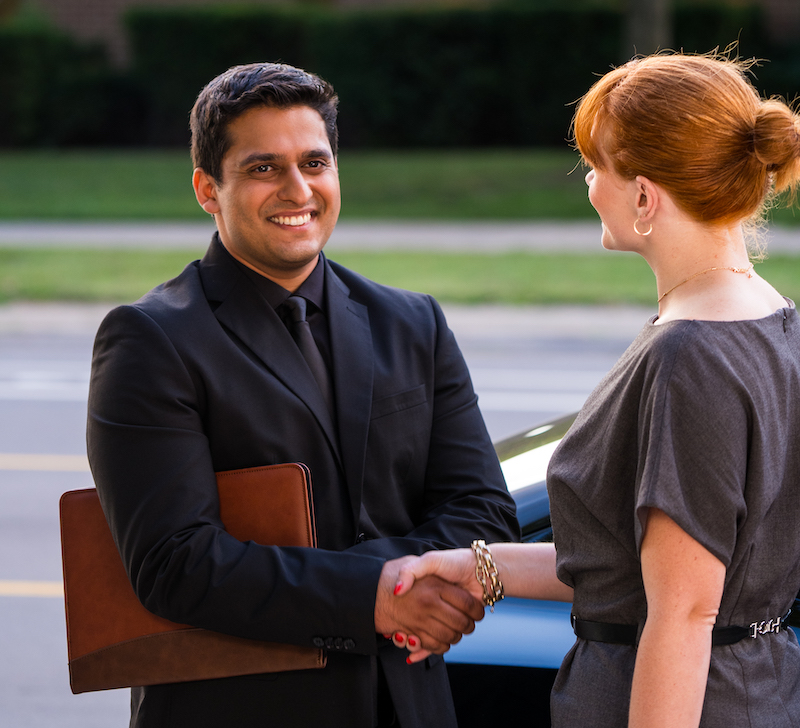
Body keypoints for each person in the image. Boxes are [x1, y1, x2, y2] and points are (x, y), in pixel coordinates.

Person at [86, 61, 519, 728]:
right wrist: (377, 592)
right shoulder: (150, 340)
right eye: (264, 168)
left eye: (314, 163)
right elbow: (177, 564)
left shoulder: (413, 323)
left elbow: (484, 511)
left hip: (409, 705)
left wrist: (401, 592)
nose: (298, 189)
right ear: (208, 188)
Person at [390, 52, 800, 727]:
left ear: (644, 197)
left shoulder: (690, 354)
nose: (587, 185)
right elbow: (637, 567)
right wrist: (479, 566)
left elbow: (685, 612)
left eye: (596, 166)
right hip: (755, 688)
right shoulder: (771, 319)